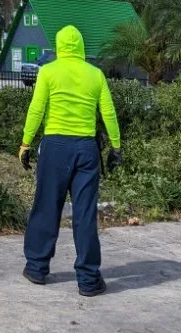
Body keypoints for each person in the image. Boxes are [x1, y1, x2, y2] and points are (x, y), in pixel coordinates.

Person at [18, 25, 121, 297]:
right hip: (86, 149)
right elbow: (108, 112)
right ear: (81, 47)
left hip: (54, 148)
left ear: (59, 46)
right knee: (85, 213)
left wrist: (26, 143)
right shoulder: (95, 74)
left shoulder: (48, 71)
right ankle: (88, 280)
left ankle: (37, 268)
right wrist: (116, 147)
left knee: (46, 207)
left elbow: (37, 108)